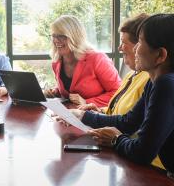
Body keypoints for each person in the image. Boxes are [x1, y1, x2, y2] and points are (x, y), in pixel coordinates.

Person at [60, 14, 174, 176]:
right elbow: (128, 122)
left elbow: (142, 152)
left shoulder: (166, 85)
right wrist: (84, 116)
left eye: (140, 42)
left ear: (160, 55)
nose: (135, 48)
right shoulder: (154, 81)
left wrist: (115, 140)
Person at [78, 14, 150, 115]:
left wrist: (90, 117)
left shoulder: (149, 80)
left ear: (139, 46)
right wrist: (99, 111)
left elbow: (130, 123)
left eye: (123, 43)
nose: (119, 48)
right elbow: (118, 112)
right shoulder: (131, 75)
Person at [45, 15, 121, 106]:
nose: (56, 40)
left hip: (97, 116)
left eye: (61, 36)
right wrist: (55, 92)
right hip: (70, 116)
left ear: (75, 37)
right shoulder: (57, 62)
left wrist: (87, 102)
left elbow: (118, 93)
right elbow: (70, 88)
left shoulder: (97, 59)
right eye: (54, 36)